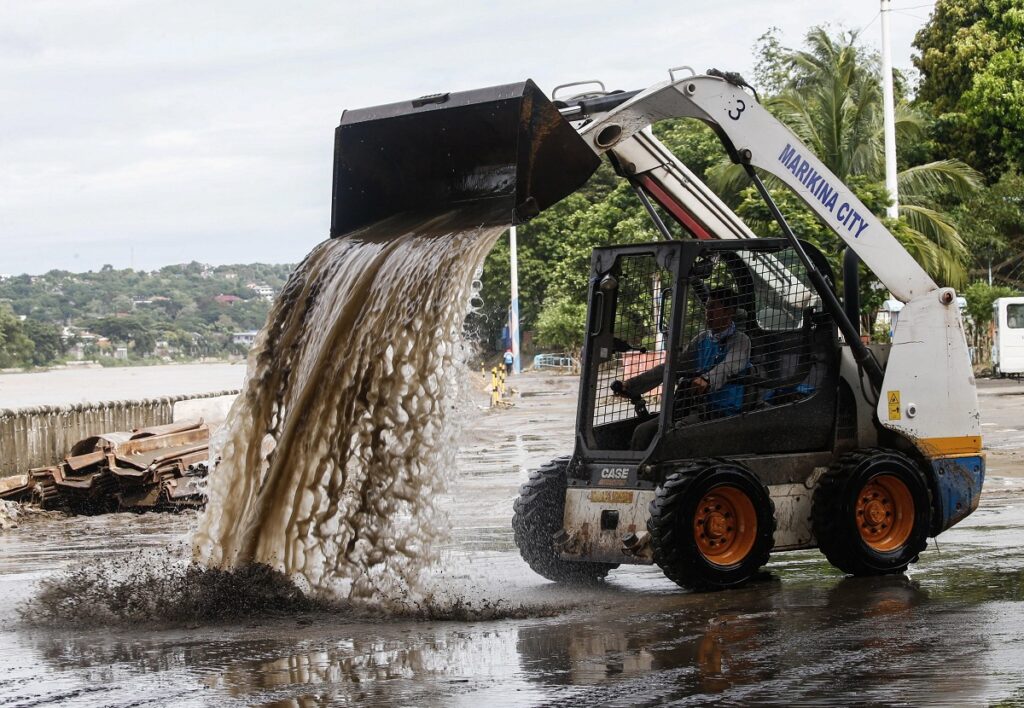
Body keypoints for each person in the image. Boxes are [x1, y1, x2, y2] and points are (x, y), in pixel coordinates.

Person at [615, 287, 751, 450]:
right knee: (642, 431)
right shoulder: (701, 339)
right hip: (693, 407)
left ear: (729, 312)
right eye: (707, 307)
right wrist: (631, 386)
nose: (708, 312)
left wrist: (707, 379)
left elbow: (728, 366)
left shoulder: (741, 341)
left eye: (714, 307)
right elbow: (673, 367)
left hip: (721, 410)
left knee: (675, 433)